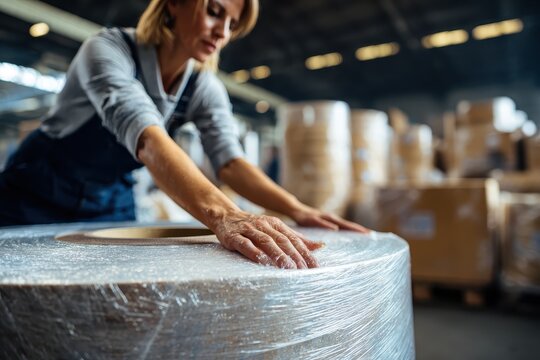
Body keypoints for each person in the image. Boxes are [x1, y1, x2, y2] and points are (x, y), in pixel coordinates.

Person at [0, 0, 368, 269]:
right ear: (174, 3)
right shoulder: (108, 49)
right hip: (37, 187)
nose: (223, 32)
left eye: (233, 24)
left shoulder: (203, 87)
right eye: (214, 11)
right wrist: (226, 216)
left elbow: (231, 163)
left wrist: (297, 209)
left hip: (110, 195)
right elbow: (146, 137)